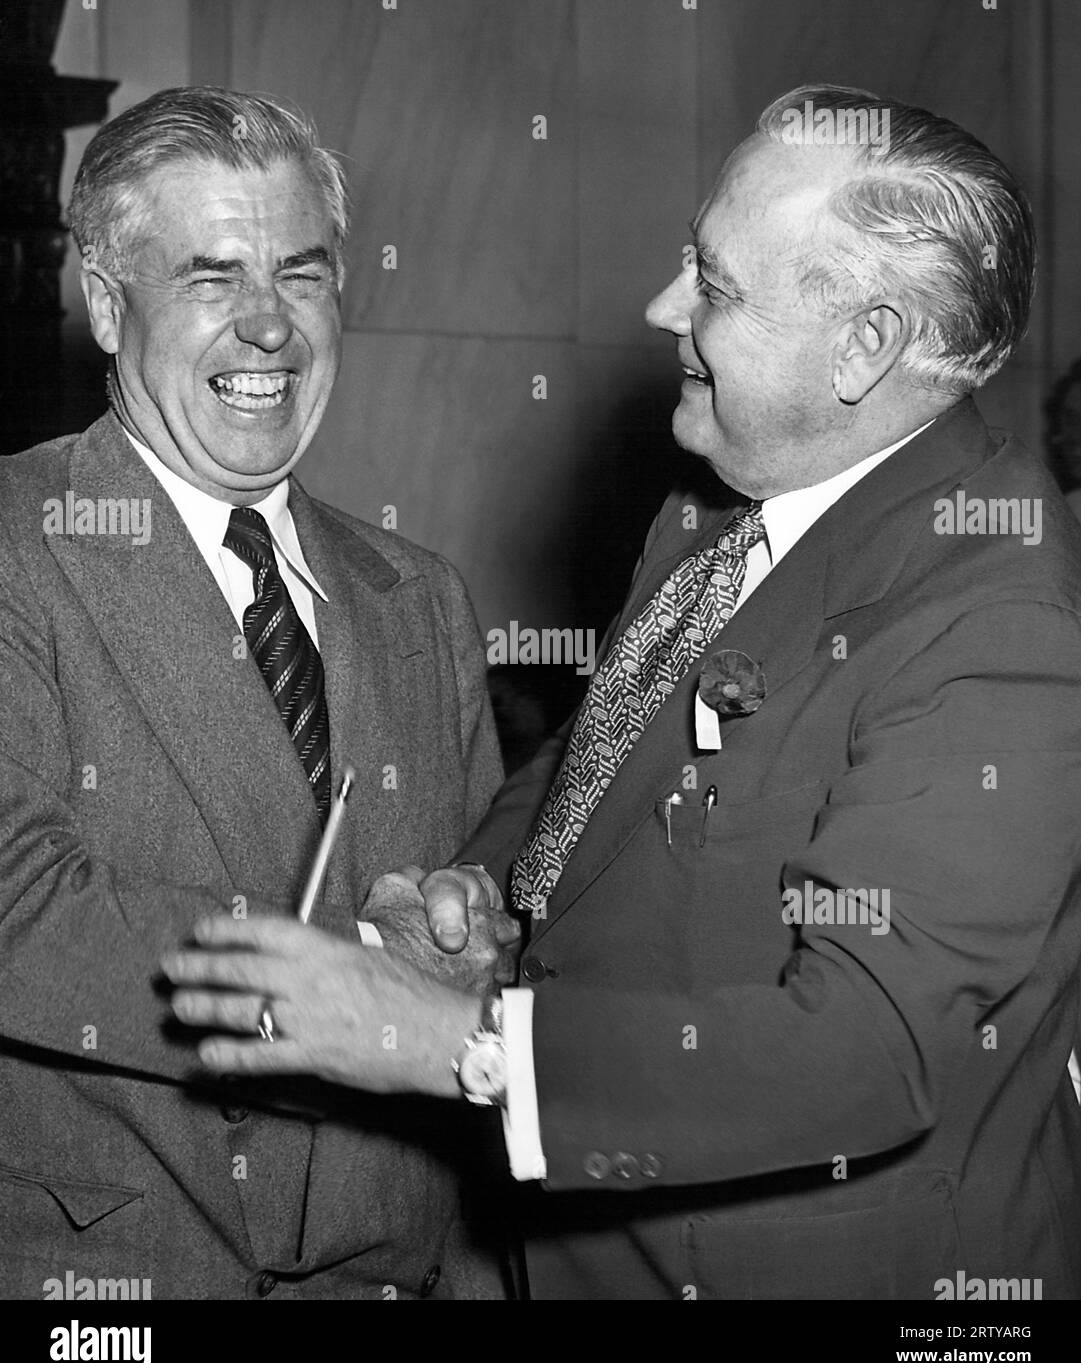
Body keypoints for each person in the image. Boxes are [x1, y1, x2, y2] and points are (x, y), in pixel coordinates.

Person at [164, 85, 1081, 1300]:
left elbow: (868, 1046)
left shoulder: (1001, 618)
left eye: (715, 284)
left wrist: (444, 1041)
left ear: (867, 343)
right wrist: (479, 894)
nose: (662, 309)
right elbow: (602, 750)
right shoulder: (721, 512)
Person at [0, 86, 515, 1300]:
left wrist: (475, 926)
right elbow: (22, 913)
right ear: (107, 303)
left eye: (302, 273)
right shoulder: (18, 545)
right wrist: (370, 984)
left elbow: (489, 902)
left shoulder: (421, 598)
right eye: (212, 276)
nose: (269, 326)